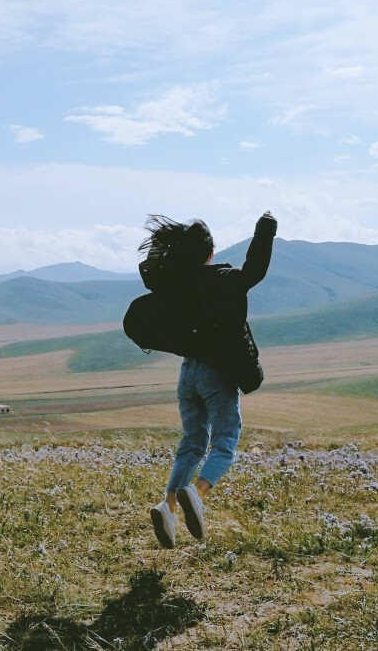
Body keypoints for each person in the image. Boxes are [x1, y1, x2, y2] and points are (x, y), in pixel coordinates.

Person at [140, 211, 278, 549]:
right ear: (209, 254)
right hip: (216, 372)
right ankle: (197, 493)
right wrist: (265, 230)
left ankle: (168, 506)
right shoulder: (221, 279)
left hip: (187, 372)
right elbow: (254, 271)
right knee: (227, 437)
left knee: (192, 442)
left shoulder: (175, 285)